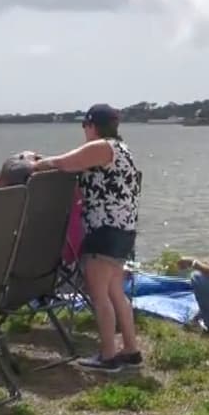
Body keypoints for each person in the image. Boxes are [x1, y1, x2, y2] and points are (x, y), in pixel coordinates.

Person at [31, 103, 142, 372]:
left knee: (99, 295)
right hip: (122, 230)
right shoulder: (122, 149)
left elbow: (63, 163)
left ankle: (108, 356)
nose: (84, 131)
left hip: (104, 231)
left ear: (92, 125)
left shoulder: (102, 147)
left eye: (85, 125)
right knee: (116, 292)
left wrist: (35, 165)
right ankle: (131, 350)